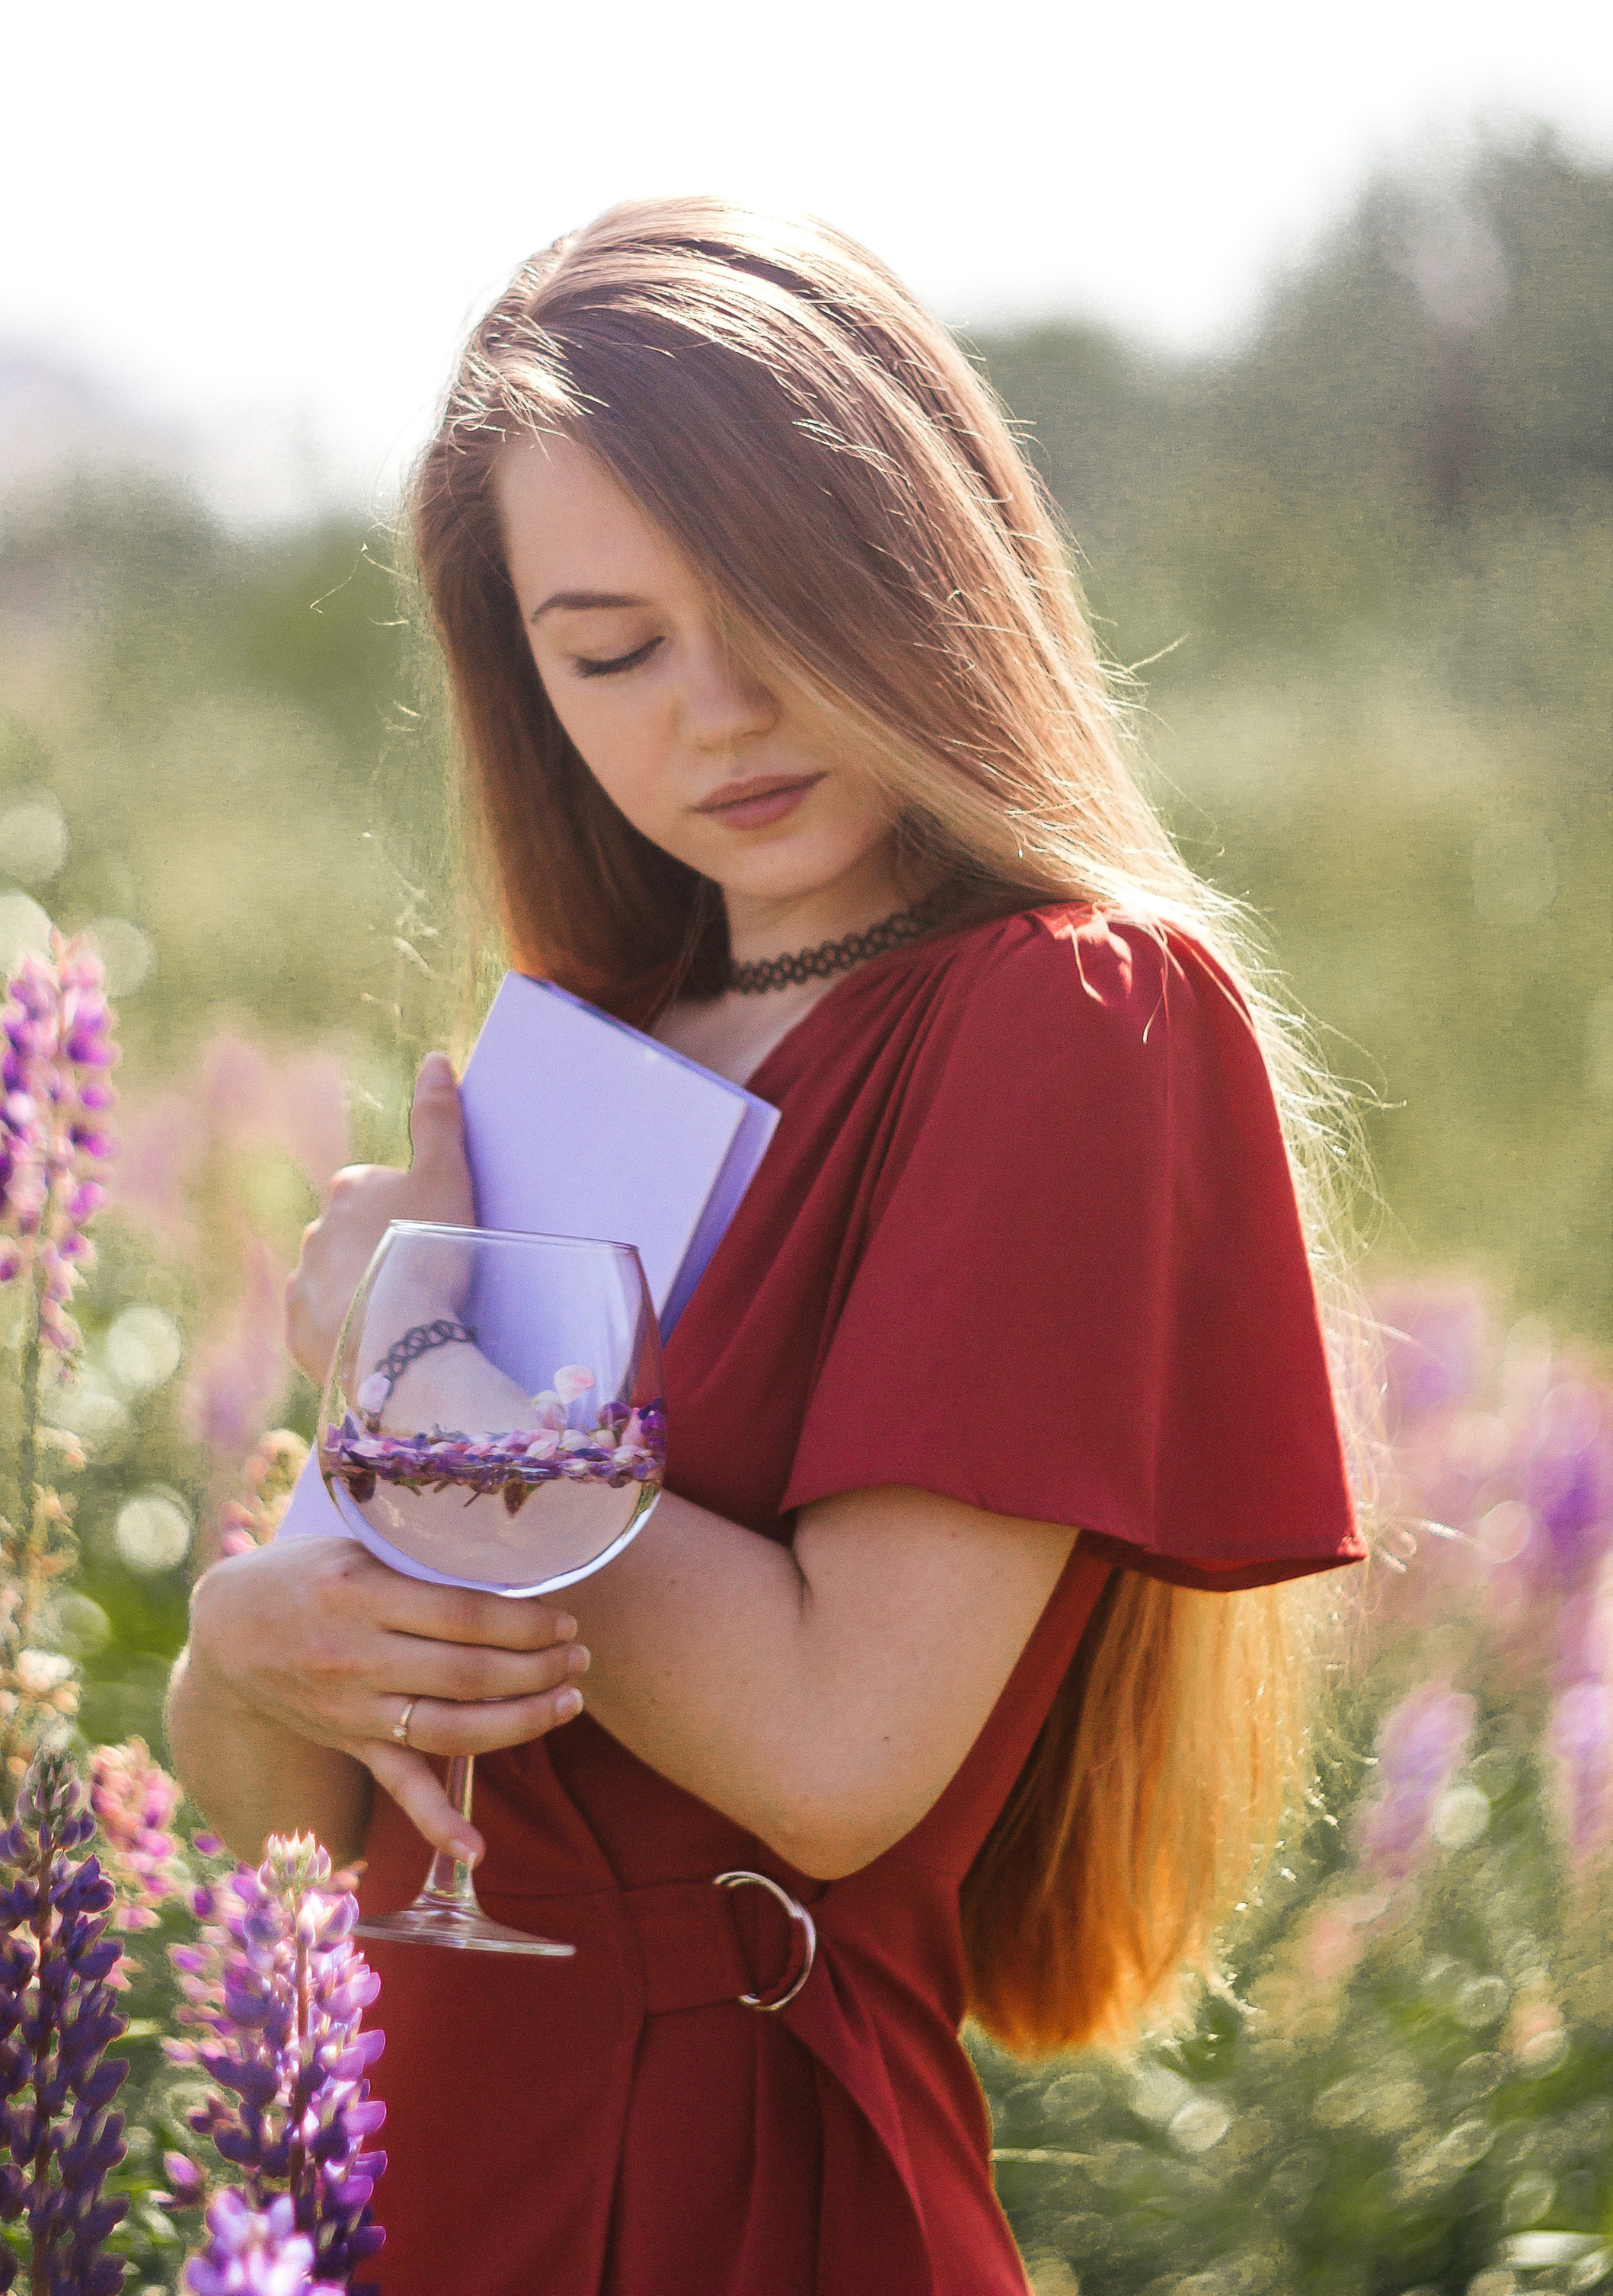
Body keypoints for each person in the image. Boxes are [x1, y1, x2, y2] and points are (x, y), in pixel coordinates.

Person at [167, 200, 1366, 2296]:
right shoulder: (585, 1051)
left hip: (721, 2187)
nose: (713, 711)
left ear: (928, 559)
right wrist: (237, 1655)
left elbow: (833, 1752)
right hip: (393, 2162)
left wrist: (437, 1351)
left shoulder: (1069, 1013)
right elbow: (301, 1807)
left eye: (780, 605)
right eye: (609, 650)